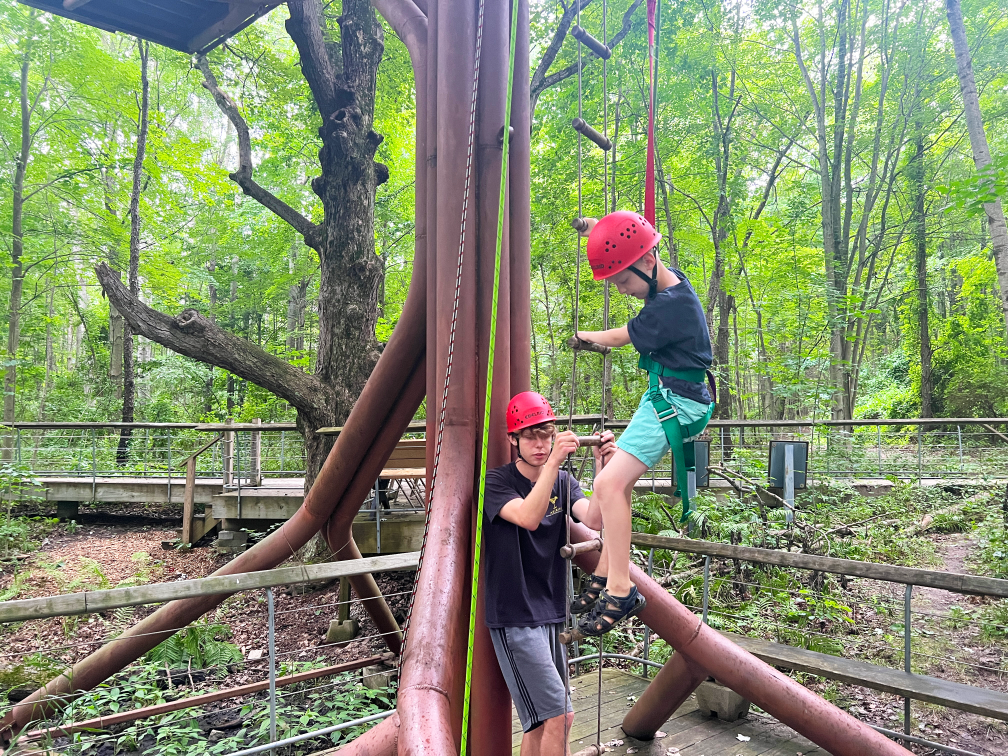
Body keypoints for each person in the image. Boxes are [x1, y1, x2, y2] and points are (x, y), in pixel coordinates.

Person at [570, 211, 714, 637]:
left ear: (649, 263)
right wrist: (595, 229)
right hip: (667, 397)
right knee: (616, 487)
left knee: (608, 486)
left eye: (623, 282)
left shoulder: (670, 308)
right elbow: (630, 242)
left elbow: (617, 337)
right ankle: (605, 569)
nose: (623, 290)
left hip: (677, 403)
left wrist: (585, 336)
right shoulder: (670, 283)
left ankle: (620, 586)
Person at [484, 391, 615, 756]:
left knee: (548, 719)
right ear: (513, 440)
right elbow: (527, 516)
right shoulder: (497, 483)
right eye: (530, 436)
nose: (540, 444)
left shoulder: (563, 482)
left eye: (546, 435)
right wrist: (555, 462)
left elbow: (594, 518)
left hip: (551, 613)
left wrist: (604, 467)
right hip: (514, 616)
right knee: (557, 717)